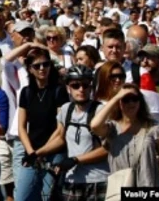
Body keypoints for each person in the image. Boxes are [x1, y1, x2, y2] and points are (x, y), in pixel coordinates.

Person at [34, 65, 109, 201]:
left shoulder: (99, 111)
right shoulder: (66, 109)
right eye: (75, 85)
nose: (81, 89)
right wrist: (37, 153)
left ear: (91, 87)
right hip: (72, 180)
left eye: (85, 85)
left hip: (98, 180)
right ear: (68, 88)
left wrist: (75, 160)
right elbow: (61, 138)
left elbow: (107, 149)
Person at [90, 85, 159, 189]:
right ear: (119, 103)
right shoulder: (112, 129)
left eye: (135, 99)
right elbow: (95, 125)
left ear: (140, 102)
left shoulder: (153, 128)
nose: (131, 103)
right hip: (120, 188)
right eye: (126, 99)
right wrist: (117, 97)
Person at [14, 47, 68, 201]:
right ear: (30, 69)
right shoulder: (26, 92)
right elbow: (22, 127)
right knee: (21, 196)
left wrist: (41, 152)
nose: (42, 68)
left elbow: (60, 128)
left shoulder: (59, 91)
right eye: (36, 66)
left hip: (54, 151)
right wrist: (32, 152)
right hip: (32, 153)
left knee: (47, 196)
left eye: (45, 64)